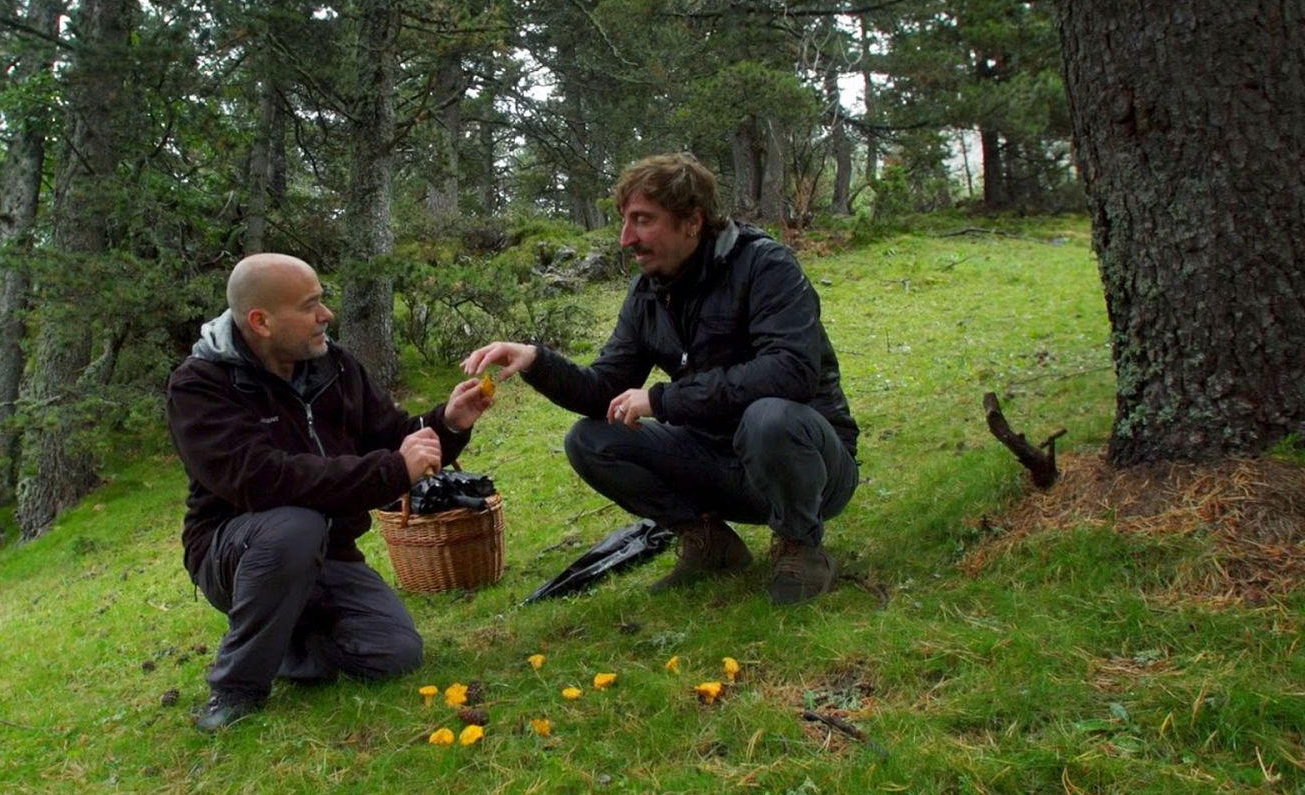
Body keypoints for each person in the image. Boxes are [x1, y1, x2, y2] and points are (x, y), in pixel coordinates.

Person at [463, 153, 858, 605]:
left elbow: (792, 372)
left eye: (642, 220)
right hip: (720, 462)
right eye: (624, 221)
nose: (626, 238)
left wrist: (665, 399)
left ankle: (801, 546)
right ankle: (710, 543)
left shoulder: (765, 266)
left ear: (691, 221)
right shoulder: (649, 291)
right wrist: (537, 360)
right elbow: (606, 389)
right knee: (591, 440)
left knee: (769, 417)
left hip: (812, 465)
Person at [167, 253, 492, 733]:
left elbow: (389, 437)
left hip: (328, 552)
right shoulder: (200, 386)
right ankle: (236, 688)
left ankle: (282, 641)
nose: (327, 315)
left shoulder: (333, 366)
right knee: (294, 524)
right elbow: (263, 480)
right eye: (311, 305)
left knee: (394, 653)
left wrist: (447, 423)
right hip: (236, 552)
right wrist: (390, 471)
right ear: (261, 321)